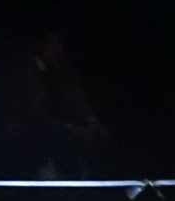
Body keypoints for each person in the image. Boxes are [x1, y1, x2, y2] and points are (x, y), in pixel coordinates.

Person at [6, 29, 107, 178]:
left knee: (100, 136)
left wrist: (92, 123)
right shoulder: (25, 72)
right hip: (31, 128)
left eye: (60, 44)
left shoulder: (66, 72)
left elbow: (80, 102)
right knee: (60, 136)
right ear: (41, 45)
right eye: (54, 44)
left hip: (63, 126)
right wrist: (69, 128)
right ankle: (72, 181)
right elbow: (33, 113)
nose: (59, 49)